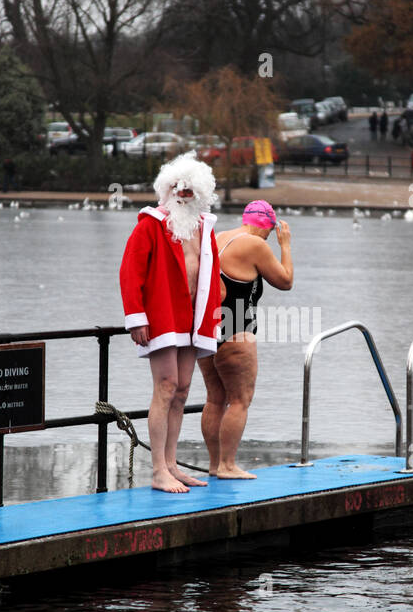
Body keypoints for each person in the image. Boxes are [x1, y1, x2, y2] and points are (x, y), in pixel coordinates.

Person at [120, 153, 222, 493]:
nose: (181, 194)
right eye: (175, 187)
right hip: (161, 318)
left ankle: (173, 464)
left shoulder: (205, 227)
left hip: (192, 321)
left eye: (189, 190)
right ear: (166, 189)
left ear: (200, 193)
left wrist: (213, 319)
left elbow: (211, 279)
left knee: (181, 392)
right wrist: (136, 317)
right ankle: (158, 470)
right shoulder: (151, 223)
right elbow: (130, 272)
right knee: (165, 387)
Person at [198, 200, 293, 479]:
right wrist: (285, 245)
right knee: (240, 399)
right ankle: (228, 465)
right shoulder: (256, 244)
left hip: (208, 332)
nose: (270, 238)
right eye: (271, 232)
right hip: (237, 332)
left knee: (215, 398)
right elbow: (286, 281)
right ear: (267, 226)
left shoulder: (218, 237)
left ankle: (215, 465)